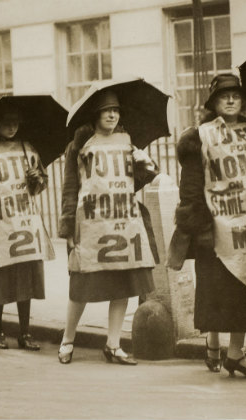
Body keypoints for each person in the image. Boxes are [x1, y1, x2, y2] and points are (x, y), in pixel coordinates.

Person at [168, 74, 246, 377]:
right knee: (218, 293)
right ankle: (213, 342)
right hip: (217, 226)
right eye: (224, 96)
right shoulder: (200, 136)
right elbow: (191, 186)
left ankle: (235, 354)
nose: (231, 100)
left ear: (243, 101)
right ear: (214, 102)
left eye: (236, 95)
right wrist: (200, 225)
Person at [57, 90, 158, 365]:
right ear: (96, 115)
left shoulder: (127, 142)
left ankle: (113, 344)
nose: (112, 115)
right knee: (81, 286)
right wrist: (67, 230)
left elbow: (131, 183)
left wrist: (145, 167)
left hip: (123, 223)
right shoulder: (80, 144)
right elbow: (70, 188)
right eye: (106, 111)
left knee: (124, 285)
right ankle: (67, 339)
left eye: (116, 110)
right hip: (90, 225)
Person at [0, 109, 52, 350]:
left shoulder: (28, 148)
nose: (11, 128)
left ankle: (25, 333)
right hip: (0, 223)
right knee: (0, 278)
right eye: (6, 123)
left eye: (15, 123)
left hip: (25, 222)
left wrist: (36, 178)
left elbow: (41, 184)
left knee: (25, 278)